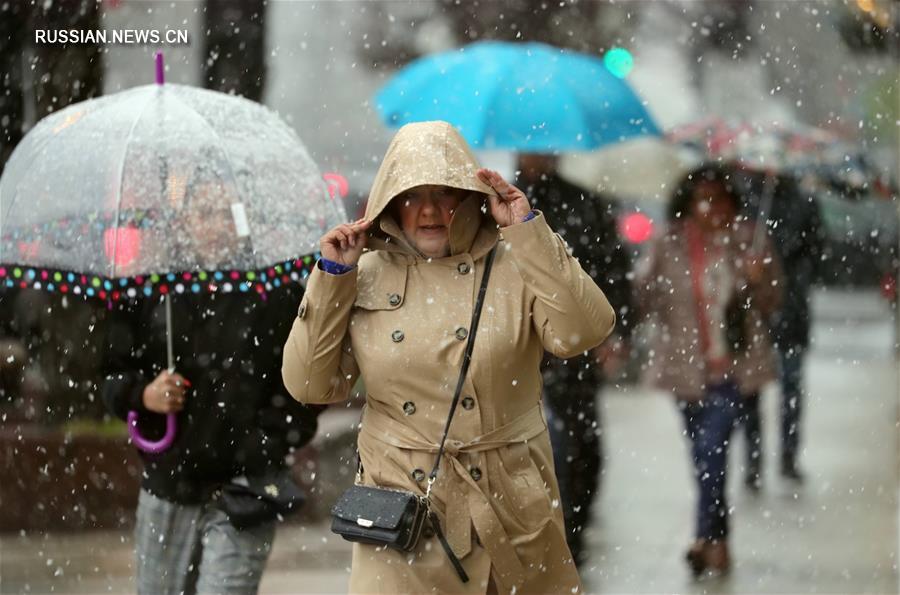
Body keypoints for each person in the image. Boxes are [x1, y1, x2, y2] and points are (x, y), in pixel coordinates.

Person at [281, 121, 616, 593]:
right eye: (413, 195)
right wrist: (332, 276)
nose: (431, 210)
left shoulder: (514, 258)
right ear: (391, 201)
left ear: (470, 196)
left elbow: (584, 330)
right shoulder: (364, 273)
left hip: (507, 500)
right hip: (400, 511)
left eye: (446, 192)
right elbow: (310, 385)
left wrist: (528, 232)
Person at [102, 245, 321, 592]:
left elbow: (310, 379)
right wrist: (144, 394)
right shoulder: (152, 288)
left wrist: (267, 442)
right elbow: (112, 376)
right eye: (200, 207)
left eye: (220, 208)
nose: (210, 220)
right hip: (169, 487)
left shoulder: (275, 290)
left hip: (245, 492)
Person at [635, 164, 782, 576]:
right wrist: (644, 276)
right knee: (702, 459)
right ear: (688, 204)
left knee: (711, 452)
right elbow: (644, 300)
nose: (712, 207)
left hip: (733, 370)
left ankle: (703, 538)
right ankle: (719, 540)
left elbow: (773, 302)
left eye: (720, 198)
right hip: (685, 371)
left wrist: (759, 277)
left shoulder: (749, 241)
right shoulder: (670, 244)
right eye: (703, 198)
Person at [515, 153, 633, 566]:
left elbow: (612, 268)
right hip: (517, 340)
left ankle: (571, 527)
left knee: (579, 443)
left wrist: (615, 331)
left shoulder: (584, 204)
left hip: (573, 344)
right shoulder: (494, 205)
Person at [738, 172, 825, 485]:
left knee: (788, 385)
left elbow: (816, 253)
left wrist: (785, 270)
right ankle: (755, 459)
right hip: (756, 314)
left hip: (790, 308)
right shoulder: (744, 200)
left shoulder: (801, 202)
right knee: (753, 387)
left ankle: (783, 456)